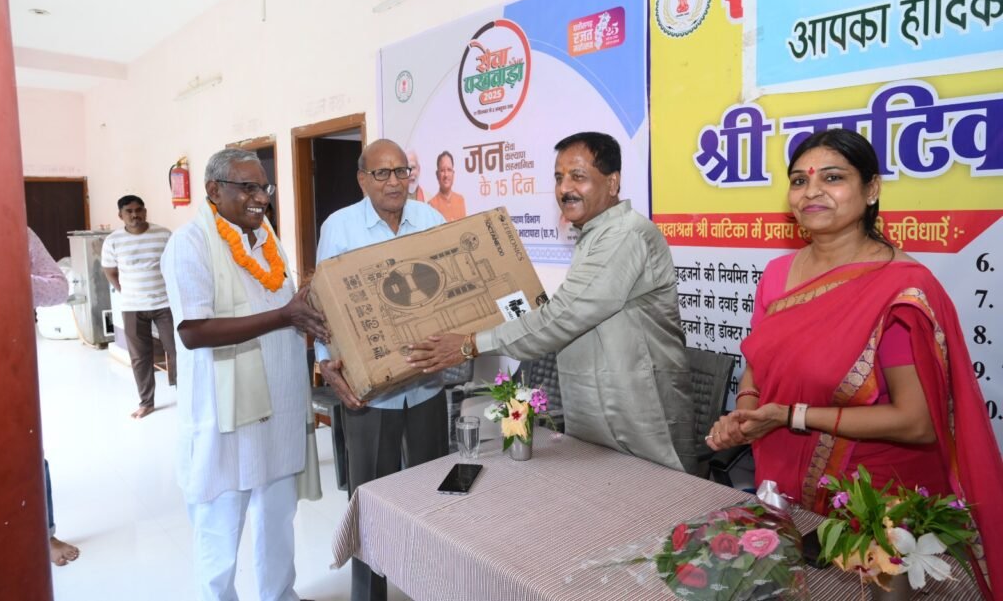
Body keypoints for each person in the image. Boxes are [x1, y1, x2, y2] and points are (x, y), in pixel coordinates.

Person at [704, 128, 1003, 597]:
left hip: (875, 504)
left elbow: (917, 422)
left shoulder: (900, 288)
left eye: (833, 177)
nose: (812, 191)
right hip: (784, 482)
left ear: (871, 189)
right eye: (799, 180)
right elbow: (759, 359)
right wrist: (745, 413)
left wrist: (790, 415)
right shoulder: (778, 274)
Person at [409, 132, 695, 472]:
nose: (564, 188)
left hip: (641, 416)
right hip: (601, 420)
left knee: (660, 502)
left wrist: (471, 344)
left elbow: (564, 316)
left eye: (578, 176)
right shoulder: (596, 234)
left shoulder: (625, 235)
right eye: (559, 178)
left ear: (613, 182)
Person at [161, 149, 326, 601]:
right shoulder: (191, 243)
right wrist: (284, 316)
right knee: (220, 529)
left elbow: (281, 302)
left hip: (280, 405)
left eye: (264, 187)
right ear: (213, 190)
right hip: (225, 415)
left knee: (278, 517)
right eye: (247, 187)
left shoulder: (266, 235)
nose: (261, 198)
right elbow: (193, 332)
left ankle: (280, 594)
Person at [315, 139, 448, 601]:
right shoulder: (340, 227)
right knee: (371, 502)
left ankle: (430, 587)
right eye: (382, 173)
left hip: (427, 386)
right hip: (368, 395)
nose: (394, 182)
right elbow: (323, 304)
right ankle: (369, 594)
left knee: (433, 498)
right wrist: (325, 364)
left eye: (401, 172)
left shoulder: (430, 220)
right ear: (362, 179)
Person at [28, 227, 81, 567]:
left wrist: (7, 278)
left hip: (5, 364)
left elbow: (59, 287)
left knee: (30, 453)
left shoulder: (15, 231)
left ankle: (45, 534)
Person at [102, 195, 177, 419]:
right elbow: (110, 271)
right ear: (120, 215)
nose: (135, 215)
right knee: (140, 356)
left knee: (177, 350)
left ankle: (186, 394)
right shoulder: (113, 241)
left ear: (145, 211)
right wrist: (125, 291)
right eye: (129, 211)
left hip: (165, 304)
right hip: (132, 306)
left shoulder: (164, 235)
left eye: (138, 210)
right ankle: (146, 402)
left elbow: (175, 264)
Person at [426, 150, 466, 222]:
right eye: (442, 170)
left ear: (453, 174)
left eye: (449, 170)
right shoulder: (431, 205)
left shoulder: (460, 200)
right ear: (437, 175)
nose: (446, 175)